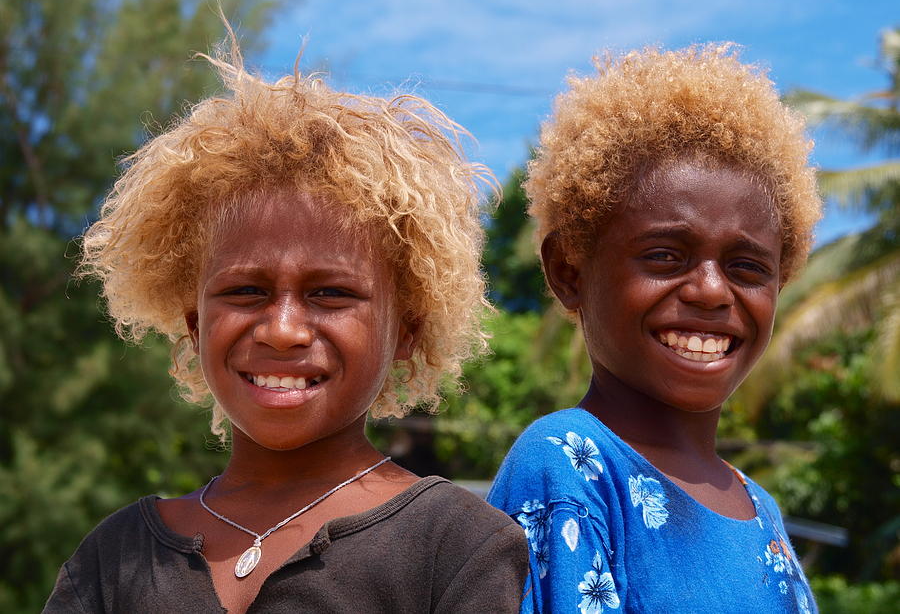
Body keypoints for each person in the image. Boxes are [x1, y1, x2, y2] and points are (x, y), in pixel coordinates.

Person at [44, 36, 528, 613]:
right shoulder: (114, 561)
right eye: (246, 291)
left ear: (407, 333)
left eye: (331, 293)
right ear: (196, 327)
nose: (283, 329)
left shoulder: (459, 547)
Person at [487, 44, 821, 613]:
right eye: (666, 256)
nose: (712, 290)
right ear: (569, 272)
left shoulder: (760, 507)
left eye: (747, 267)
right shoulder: (569, 466)